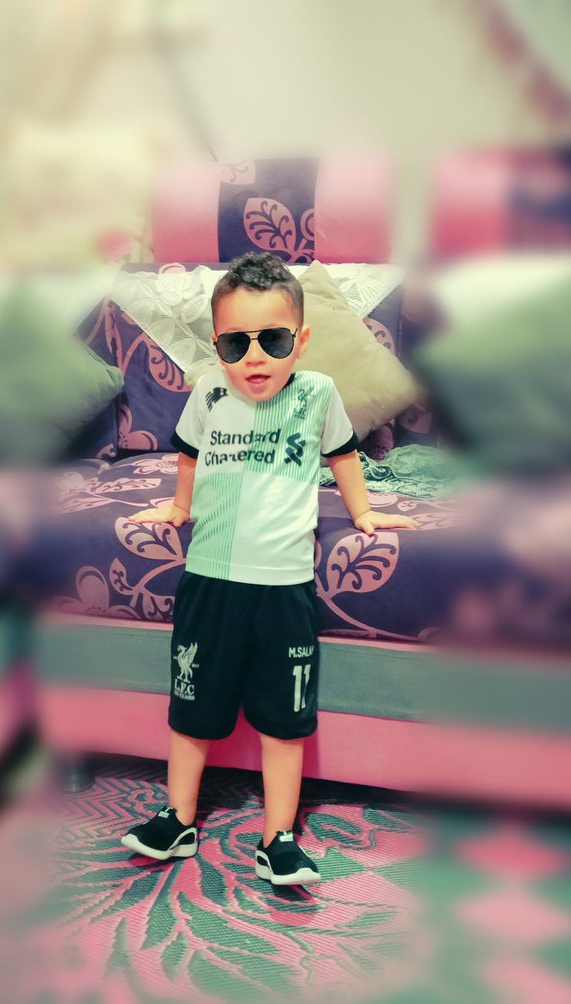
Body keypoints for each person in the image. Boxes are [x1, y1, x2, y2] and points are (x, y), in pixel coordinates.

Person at [120, 252, 419, 886]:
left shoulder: (317, 393)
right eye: (236, 343)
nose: (254, 357)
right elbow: (188, 458)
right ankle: (178, 818)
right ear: (217, 345)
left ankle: (278, 836)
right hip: (210, 579)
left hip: (283, 587)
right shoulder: (209, 392)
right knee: (191, 706)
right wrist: (178, 507)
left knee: (285, 720)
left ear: (300, 341)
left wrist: (365, 514)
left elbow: (343, 456)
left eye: (273, 340)